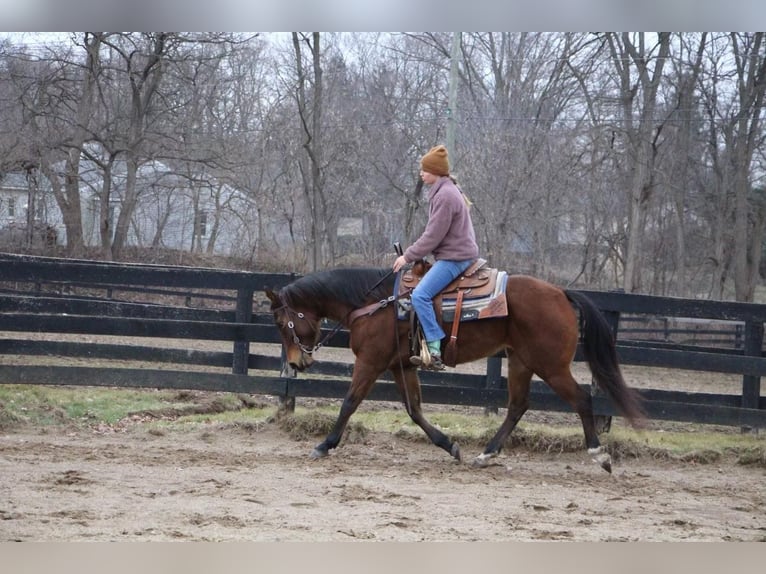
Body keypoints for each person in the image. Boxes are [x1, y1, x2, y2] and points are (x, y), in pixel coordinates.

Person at [392, 144, 479, 370]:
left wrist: (407, 256)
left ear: (436, 171)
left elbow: (433, 236)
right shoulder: (446, 191)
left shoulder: (446, 196)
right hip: (454, 254)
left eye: (425, 169)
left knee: (420, 295)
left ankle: (434, 347)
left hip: (455, 258)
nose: (421, 172)